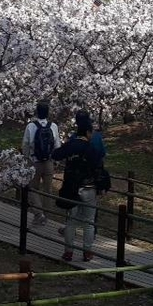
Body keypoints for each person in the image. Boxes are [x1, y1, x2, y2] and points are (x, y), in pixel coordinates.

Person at [52, 111, 103, 262]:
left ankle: (68, 252)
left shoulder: (71, 145)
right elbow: (98, 168)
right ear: (87, 132)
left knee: (71, 222)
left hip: (72, 188)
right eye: (91, 132)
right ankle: (87, 252)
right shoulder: (91, 149)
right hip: (89, 188)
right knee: (89, 222)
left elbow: (56, 155)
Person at [21, 101, 60, 226]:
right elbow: (57, 145)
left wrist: (26, 158)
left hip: (35, 162)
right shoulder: (53, 126)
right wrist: (55, 160)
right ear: (48, 113)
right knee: (48, 190)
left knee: (33, 188)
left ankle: (39, 214)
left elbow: (26, 144)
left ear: (36, 112)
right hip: (49, 162)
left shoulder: (31, 126)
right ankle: (46, 216)